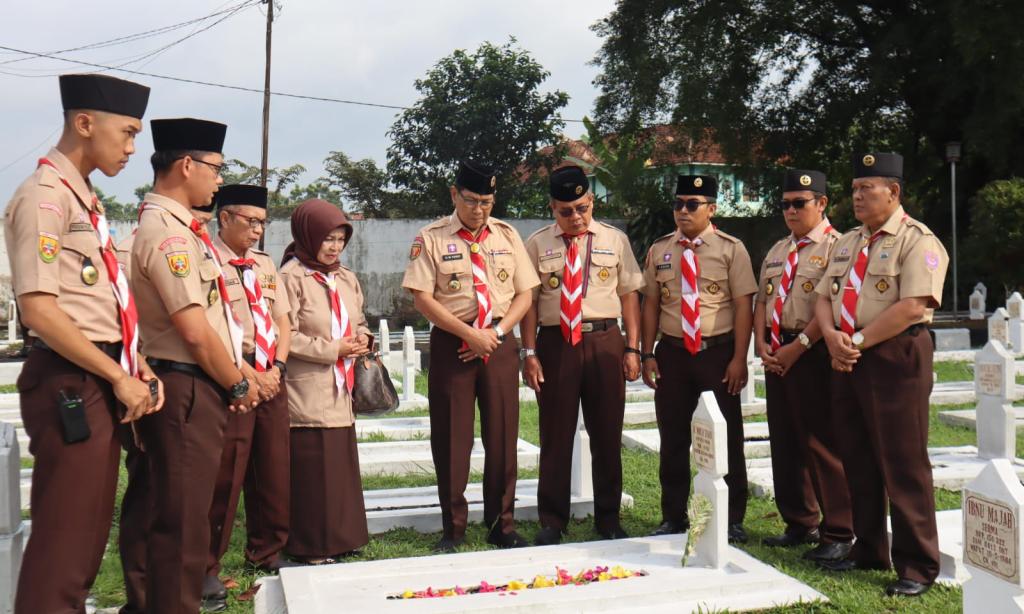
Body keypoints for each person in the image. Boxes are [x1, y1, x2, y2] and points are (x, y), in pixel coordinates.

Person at [3, 73, 162, 614]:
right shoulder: (45, 198)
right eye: (128, 132)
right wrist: (117, 375)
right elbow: (40, 311)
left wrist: (135, 362)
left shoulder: (83, 200)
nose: (133, 148)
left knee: (87, 537)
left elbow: (98, 302)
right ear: (85, 123)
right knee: (65, 545)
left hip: (97, 372)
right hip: (70, 380)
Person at [126, 117, 260, 613]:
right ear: (187, 165)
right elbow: (195, 331)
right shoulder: (170, 235)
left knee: (168, 512)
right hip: (184, 387)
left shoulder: (180, 228)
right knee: (183, 524)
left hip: (187, 382)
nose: (219, 180)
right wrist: (238, 384)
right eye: (215, 168)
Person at [813, 152, 948, 597]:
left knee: (902, 461)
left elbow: (913, 306)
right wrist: (831, 337)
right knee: (857, 456)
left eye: (866, 188)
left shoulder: (918, 241)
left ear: (893, 191)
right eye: (854, 189)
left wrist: (854, 340)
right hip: (848, 357)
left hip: (894, 356)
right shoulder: (848, 242)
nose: (857, 196)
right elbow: (823, 297)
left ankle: (917, 564)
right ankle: (869, 548)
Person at [402, 161, 540, 552]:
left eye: (486, 202)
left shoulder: (507, 235)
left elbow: (525, 293)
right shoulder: (430, 238)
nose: (479, 209)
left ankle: (502, 524)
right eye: (471, 200)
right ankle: (454, 528)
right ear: (454, 194)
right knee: (451, 437)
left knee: (502, 434)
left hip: (498, 342)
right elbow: (422, 297)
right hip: (454, 343)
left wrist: (496, 333)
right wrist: (469, 335)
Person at [521, 165, 642, 545]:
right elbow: (528, 303)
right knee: (555, 434)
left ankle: (608, 519)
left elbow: (629, 296)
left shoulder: (615, 240)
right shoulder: (537, 244)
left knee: (607, 432)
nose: (576, 217)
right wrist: (529, 352)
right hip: (556, 343)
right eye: (566, 211)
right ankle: (552, 520)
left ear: (592, 201)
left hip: (605, 340)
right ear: (552, 208)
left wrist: (633, 347)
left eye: (582, 208)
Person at [640, 174, 756, 543]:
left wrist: (739, 358)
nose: (683, 211)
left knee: (726, 435)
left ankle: (731, 517)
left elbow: (743, 306)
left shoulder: (731, 249)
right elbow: (651, 304)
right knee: (673, 436)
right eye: (678, 204)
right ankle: (673, 516)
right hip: (672, 353)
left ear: (712, 208)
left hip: (716, 354)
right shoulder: (660, 249)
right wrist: (646, 352)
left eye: (693, 204)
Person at [115, 200, 215, 614]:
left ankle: (162, 594)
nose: (199, 225)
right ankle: (141, 596)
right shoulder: (134, 247)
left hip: (178, 380)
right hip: (149, 380)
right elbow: (121, 322)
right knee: (148, 492)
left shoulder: (195, 245)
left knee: (174, 501)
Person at [752, 169, 853, 561]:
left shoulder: (838, 247)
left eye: (800, 203)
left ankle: (839, 530)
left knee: (822, 442)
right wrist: (761, 342)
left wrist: (800, 346)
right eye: (785, 204)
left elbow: (835, 304)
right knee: (786, 440)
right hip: (778, 351)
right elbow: (763, 301)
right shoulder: (778, 250)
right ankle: (799, 521)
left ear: (822, 203)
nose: (791, 211)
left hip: (815, 352)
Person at [204, 184, 296, 606]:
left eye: (263, 222)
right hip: (233, 376)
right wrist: (249, 376)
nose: (258, 230)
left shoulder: (264, 263)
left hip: (272, 375)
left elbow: (283, 320)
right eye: (251, 221)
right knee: (227, 472)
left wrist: (277, 368)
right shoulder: (207, 260)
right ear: (225, 218)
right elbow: (210, 329)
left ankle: (267, 549)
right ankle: (207, 563)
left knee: (272, 467)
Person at [279, 199, 371, 563]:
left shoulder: (345, 277)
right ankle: (312, 544)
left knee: (339, 464)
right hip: (308, 386)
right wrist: (332, 349)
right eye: (327, 239)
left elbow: (359, 320)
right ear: (307, 236)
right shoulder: (291, 277)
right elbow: (285, 336)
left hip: (341, 386)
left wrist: (363, 339)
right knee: (313, 469)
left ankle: (343, 537)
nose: (334, 247)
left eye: (340, 239)